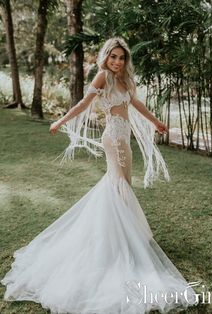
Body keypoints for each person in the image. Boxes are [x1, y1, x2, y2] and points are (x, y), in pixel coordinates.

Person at [1, 37, 197, 313]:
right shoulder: (103, 76)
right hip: (113, 137)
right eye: (113, 57)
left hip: (124, 138)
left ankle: (120, 238)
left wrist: (156, 122)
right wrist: (60, 120)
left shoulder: (124, 81)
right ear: (105, 57)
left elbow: (135, 105)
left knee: (122, 186)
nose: (117, 61)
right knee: (118, 186)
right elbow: (84, 103)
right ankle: (117, 243)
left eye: (121, 58)